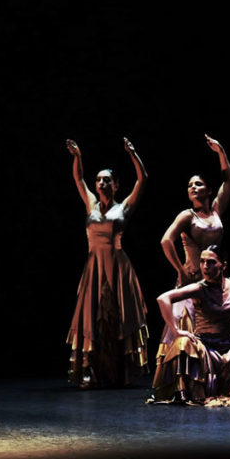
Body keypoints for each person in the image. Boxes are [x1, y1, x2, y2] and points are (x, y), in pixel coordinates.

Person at [65, 137, 150, 388]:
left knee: (118, 317)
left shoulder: (123, 208)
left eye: (107, 180)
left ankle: (121, 371)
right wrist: (78, 157)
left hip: (117, 267)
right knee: (91, 317)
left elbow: (143, 180)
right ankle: (92, 369)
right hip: (94, 266)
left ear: (116, 184)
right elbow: (79, 179)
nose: (102, 183)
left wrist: (133, 153)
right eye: (99, 180)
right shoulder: (90, 203)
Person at [150, 246, 230, 405]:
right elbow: (163, 299)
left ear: (223, 265)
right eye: (202, 262)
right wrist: (176, 330)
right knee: (183, 344)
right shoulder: (199, 288)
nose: (205, 267)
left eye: (211, 262)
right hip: (207, 348)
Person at [158, 135, 230, 348]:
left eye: (198, 184)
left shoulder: (216, 210)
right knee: (189, 331)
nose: (192, 187)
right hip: (191, 279)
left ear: (209, 190)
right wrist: (180, 271)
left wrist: (221, 152)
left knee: (215, 328)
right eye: (190, 185)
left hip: (214, 279)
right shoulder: (187, 216)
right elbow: (166, 241)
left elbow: (228, 181)